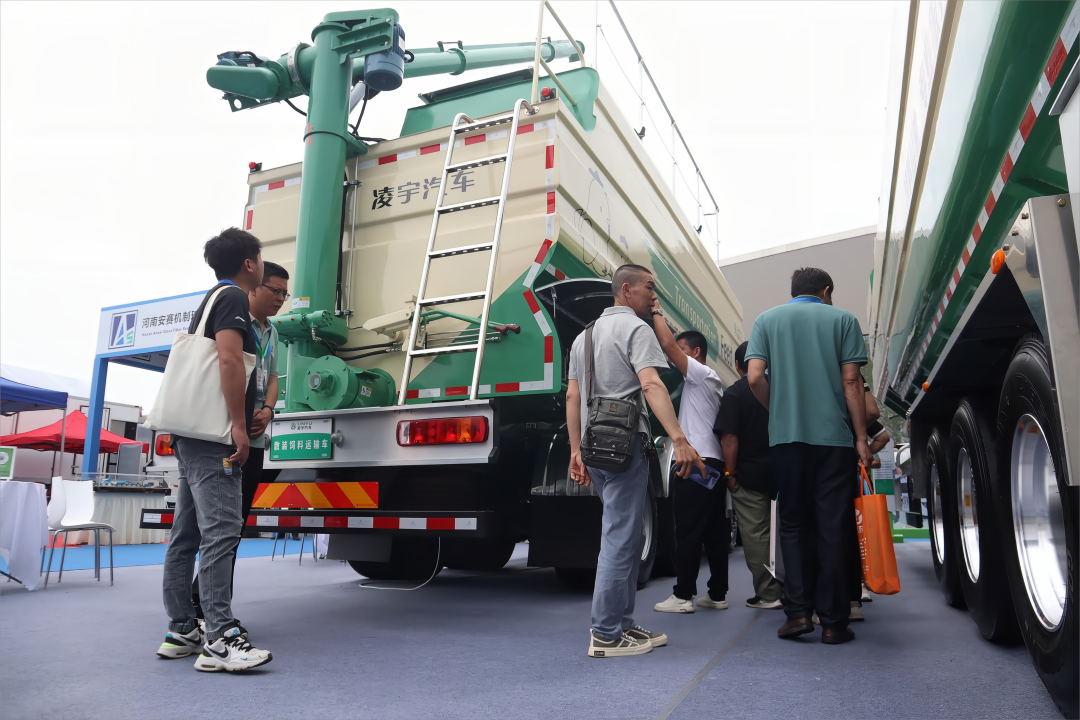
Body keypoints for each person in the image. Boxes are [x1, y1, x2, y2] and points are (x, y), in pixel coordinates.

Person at [567, 264, 707, 658]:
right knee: (620, 537)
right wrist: (679, 438)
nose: (654, 295)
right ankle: (606, 633)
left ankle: (623, 623)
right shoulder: (636, 329)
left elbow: (573, 397)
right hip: (625, 447)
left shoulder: (583, 337)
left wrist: (575, 451)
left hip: (595, 447)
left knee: (626, 536)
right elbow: (650, 384)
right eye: (649, 287)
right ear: (626, 290)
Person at [157, 227, 273, 671]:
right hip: (212, 438)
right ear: (249, 263)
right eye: (260, 258)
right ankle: (221, 639)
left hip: (190, 436)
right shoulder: (233, 298)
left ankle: (182, 629)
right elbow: (228, 358)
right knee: (222, 532)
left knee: (186, 535)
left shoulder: (210, 299)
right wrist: (238, 426)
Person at [745, 267, 872, 645]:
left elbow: (754, 377)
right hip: (834, 441)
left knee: (793, 524)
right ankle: (834, 622)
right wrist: (861, 437)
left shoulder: (766, 320)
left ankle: (798, 613)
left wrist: (778, 411)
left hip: (786, 441)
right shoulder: (844, 320)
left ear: (794, 290)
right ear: (826, 290)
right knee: (833, 526)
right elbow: (851, 382)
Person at [190, 261, 289, 619]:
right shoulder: (233, 317)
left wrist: (268, 410)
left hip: (255, 441)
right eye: (275, 290)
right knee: (213, 531)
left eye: (285, 294)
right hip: (225, 436)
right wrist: (239, 422)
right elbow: (226, 363)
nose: (280, 299)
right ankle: (203, 611)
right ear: (255, 285)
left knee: (234, 528)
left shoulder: (272, 332)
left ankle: (209, 606)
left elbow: (273, 377)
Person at [648, 305, 729, 614]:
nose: (674, 356)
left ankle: (683, 596)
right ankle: (717, 594)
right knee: (713, 531)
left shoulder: (700, 374)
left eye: (683, 351)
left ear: (696, 353)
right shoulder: (709, 381)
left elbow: (667, 345)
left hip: (697, 462)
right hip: (713, 463)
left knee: (688, 529)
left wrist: (656, 310)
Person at [715, 341, 784, 610]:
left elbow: (729, 438)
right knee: (788, 530)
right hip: (783, 472)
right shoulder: (779, 388)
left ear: (737, 365)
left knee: (756, 534)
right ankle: (795, 588)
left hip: (749, 475)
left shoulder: (735, 393)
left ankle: (769, 593)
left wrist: (730, 474)